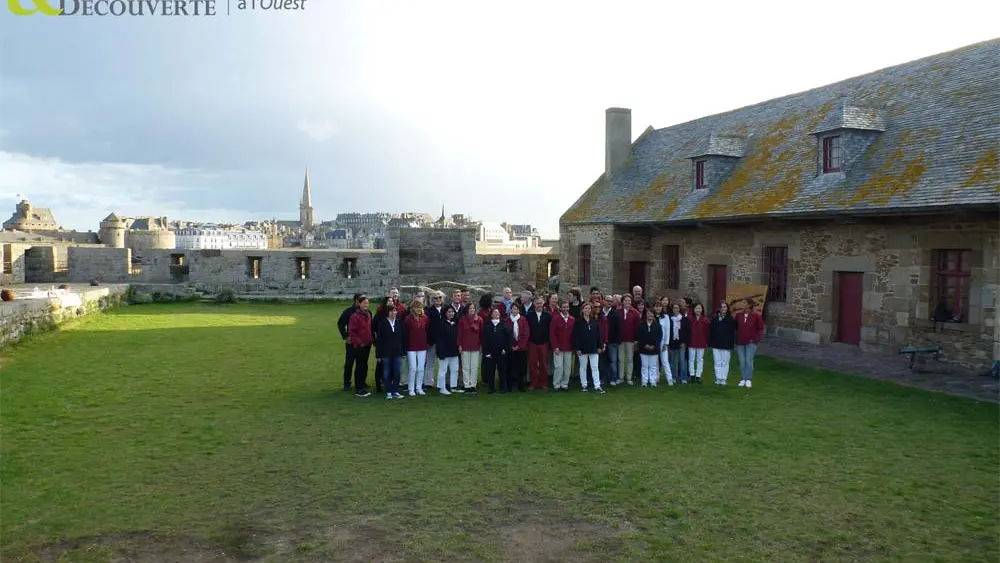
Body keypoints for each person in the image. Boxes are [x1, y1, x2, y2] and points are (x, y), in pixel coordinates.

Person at [572, 301, 606, 393]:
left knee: (594, 367)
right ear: (582, 310)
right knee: (583, 367)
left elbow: (599, 335)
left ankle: (597, 385)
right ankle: (584, 384)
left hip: (593, 347)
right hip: (582, 348)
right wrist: (577, 348)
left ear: (591, 310)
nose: (587, 310)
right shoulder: (578, 322)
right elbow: (575, 336)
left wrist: (600, 346)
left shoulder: (594, 321)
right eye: (586, 308)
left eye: (589, 308)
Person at [375, 303, 406, 399]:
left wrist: (403, 352)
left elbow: (403, 338)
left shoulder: (399, 323)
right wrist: (378, 355)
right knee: (386, 372)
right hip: (386, 352)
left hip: (397, 352)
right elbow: (379, 340)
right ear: (387, 313)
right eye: (392, 311)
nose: (394, 313)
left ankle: (395, 390)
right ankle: (388, 391)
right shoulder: (383, 324)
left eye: (395, 311)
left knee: (397, 372)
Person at [346, 296, 374, 397]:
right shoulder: (355, 316)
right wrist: (359, 342)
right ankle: (359, 388)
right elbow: (352, 331)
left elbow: (370, 328)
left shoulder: (369, 314)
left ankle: (362, 385)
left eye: (367, 303)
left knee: (364, 365)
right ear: (359, 304)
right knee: (359, 366)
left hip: (367, 344)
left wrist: (371, 340)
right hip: (359, 345)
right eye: (364, 303)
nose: (366, 305)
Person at [735, 298, 765, 388]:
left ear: (749, 305)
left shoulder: (756, 316)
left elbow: (760, 328)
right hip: (740, 341)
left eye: (744, 302)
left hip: (751, 342)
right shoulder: (738, 315)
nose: (742, 304)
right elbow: (736, 327)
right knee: (742, 361)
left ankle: (748, 379)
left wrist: (755, 339)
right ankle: (743, 378)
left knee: (748, 360)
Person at [481, 307, 511, 394]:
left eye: (498, 312)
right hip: (490, 352)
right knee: (491, 371)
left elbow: (507, 338)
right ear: (491, 315)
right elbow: (484, 340)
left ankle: (502, 388)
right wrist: (486, 352)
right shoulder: (487, 325)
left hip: (501, 352)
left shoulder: (503, 324)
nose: (497, 314)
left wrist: (505, 349)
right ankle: (491, 388)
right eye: (495, 312)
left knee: (502, 371)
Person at [337, 293, 363, 392]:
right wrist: (345, 336)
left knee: (362, 363)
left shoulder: (366, 312)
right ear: (356, 301)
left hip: (362, 342)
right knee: (349, 363)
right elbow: (340, 323)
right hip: (351, 341)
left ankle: (361, 381)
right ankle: (347, 383)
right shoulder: (348, 312)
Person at [404, 300, 430, 396]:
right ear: (412, 308)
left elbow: (426, 330)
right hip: (411, 347)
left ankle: (419, 387)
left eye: (420, 307)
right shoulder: (408, 319)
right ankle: (411, 388)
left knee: (421, 368)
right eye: (416, 307)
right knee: (413, 368)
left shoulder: (425, 318)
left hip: (422, 346)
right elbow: (405, 333)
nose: (418, 309)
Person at [526, 296, 552, 390]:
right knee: (533, 364)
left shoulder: (548, 315)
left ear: (543, 303)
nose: (539, 305)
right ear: (534, 304)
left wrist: (549, 342)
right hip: (532, 342)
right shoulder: (529, 315)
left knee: (544, 364)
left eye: (540, 303)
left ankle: (544, 383)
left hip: (544, 343)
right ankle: (534, 383)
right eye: (537, 303)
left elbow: (550, 330)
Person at [549, 300, 575, 391]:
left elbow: (574, 334)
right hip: (558, 347)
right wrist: (555, 346)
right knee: (559, 366)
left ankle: (565, 384)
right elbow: (552, 334)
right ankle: (556, 384)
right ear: (560, 308)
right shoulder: (555, 319)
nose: (565, 309)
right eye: (564, 307)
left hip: (568, 347)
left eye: (567, 307)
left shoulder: (572, 319)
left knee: (567, 367)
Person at [709, 301, 737, 385]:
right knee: (717, 362)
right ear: (719, 309)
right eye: (721, 307)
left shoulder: (730, 319)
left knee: (725, 362)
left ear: (727, 308)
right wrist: (711, 342)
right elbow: (711, 331)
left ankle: (723, 378)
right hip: (716, 343)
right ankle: (718, 378)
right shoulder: (715, 318)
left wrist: (731, 345)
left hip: (726, 344)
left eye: (725, 307)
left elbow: (732, 333)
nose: (723, 308)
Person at [435, 306, 461, 394]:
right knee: (443, 370)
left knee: (455, 369)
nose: (451, 314)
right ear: (445, 313)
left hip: (454, 350)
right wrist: (440, 351)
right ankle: (442, 388)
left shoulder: (455, 323)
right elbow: (439, 339)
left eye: (452, 312)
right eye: (449, 312)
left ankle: (453, 386)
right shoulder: (441, 324)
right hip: (444, 351)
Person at [458, 303, 483, 394]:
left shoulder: (479, 319)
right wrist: (459, 345)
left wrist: (481, 346)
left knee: (474, 367)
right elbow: (460, 333)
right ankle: (467, 385)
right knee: (465, 367)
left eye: (473, 308)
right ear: (467, 310)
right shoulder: (462, 319)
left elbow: (481, 334)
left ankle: (473, 385)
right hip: (465, 346)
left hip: (475, 346)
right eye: (470, 308)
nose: (472, 309)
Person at [664, 302, 690, 384]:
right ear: (672, 309)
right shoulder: (669, 319)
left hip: (681, 343)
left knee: (682, 361)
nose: (676, 309)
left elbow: (687, 332)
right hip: (672, 343)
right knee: (672, 361)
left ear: (680, 309)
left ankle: (683, 378)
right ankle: (673, 377)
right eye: (674, 308)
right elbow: (667, 331)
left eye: (677, 308)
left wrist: (684, 342)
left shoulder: (684, 319)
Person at [506, 302, 530, 392]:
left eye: (516, 309)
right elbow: (506, 334)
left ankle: (521, 385)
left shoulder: (523, 320)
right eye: (513, 309)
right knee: (510, 367)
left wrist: (519, 346)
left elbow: (526, 334)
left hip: (521, 348)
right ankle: (510, 385)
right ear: (511, 310)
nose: (515, 310)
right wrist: (511, 346)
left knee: (521, 367)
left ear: (519, 310)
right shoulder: (507, 320)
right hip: (510, 348)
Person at [425, 291, 447, 391]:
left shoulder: (446, 309)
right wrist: (428, 340)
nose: (438, 300)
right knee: (430, 362)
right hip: (432, 340)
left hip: (444, 340)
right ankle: (428, 382)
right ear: (432, 300)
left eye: (439, 298)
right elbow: (427, 327)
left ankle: (444, 382)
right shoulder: (429, 311)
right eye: (435, 298)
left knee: (444, 362)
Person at [637, 307, 663, 387]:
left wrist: (654, 346)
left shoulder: (658, 326)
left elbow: (659, 337)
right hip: (643, 348)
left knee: (653, 366)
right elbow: (639, 337)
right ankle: (644, 381)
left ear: (654, 315)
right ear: (646, 315)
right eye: (648, 314)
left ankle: (653, 381)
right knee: (645, 365)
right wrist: (645, 345)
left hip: (654, 349)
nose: (650, 315)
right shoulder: (641, 325)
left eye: (651, 314)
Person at [618, 294, 639, 386]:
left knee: (630, 359)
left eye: (629, 301)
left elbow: (637, 328)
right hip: (620, 339)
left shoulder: (635, 313)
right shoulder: (618, 312)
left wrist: (636, 339)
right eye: (625, 300)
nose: (627, 302)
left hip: (631, 340)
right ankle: (621, 377)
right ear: (622, 302)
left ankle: (629, 378)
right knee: (621, 359)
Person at [687, 302, 710, 383]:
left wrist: (707, 341)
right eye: (696, 308)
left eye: (700, 308)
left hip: (701, 341)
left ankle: (698, 375)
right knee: (691, 359)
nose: (698, 310)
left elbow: (707, 332)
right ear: (694, 309)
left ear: (702, 309)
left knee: (700, 359)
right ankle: (692, 375)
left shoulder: (705, 319)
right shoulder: (690, 318)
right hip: (691, 341)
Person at [601, 295, 622, 386]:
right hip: (601, 342)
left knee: (613, 361)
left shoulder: (615, 314)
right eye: (607, 300)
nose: (609, 302)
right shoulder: (599, 313)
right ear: (604, 301)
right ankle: (603, 378)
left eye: (610, 301)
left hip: (612, 342)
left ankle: (614, 378)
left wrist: (617, 341)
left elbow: (618, 329)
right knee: (602, 361)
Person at [656, 300, 675, 385]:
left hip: (663, 342)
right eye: (656, 306)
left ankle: (669, 379)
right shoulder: (652, 317)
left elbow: (667, 331)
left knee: (665, 361)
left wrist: (666, 343)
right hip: (654, 342)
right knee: (655, 361)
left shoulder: (666, 317)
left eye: (659, 306)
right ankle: (655, 378)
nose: (658, 308)